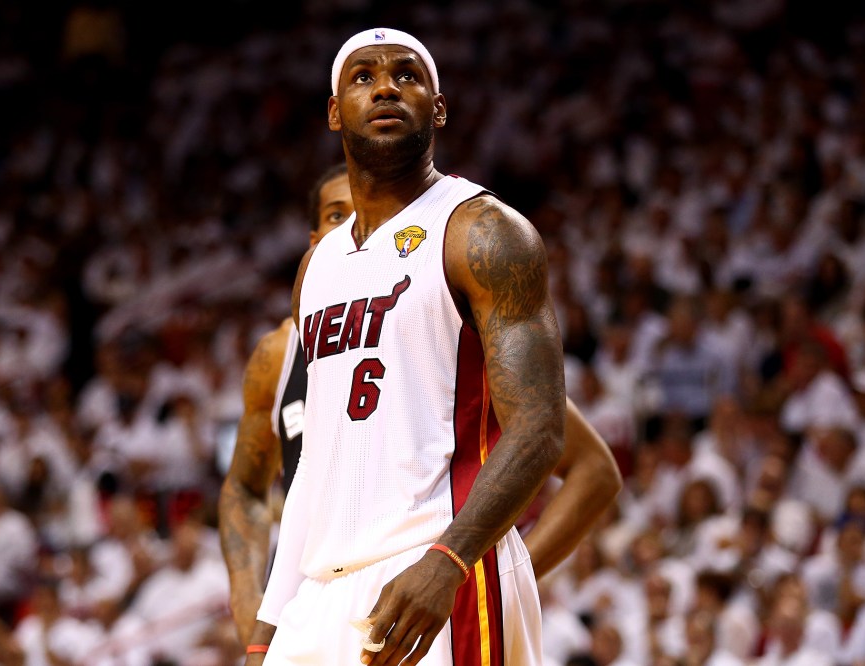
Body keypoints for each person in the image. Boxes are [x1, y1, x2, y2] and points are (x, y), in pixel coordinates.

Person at [243, 27, 619, 665]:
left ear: (438, 107)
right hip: (321, 595)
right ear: (334, 111)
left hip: (438, 567)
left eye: (407, 75)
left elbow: (540, 430)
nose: (385, 86)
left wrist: (451, 560)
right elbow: (315, 468)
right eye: (363, 76)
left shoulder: (484, 230)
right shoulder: (317, 268)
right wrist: (269, 629)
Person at [219, 162, 355, 644]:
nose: (354, 227)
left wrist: (473, 567)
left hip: (411, 593)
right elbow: (244, 488)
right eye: (338, 215)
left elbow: (584, 464)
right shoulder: (278, 354)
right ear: (314, 236)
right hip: (310, 606)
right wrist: (247, 603)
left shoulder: (439, 323)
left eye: (368, 214)